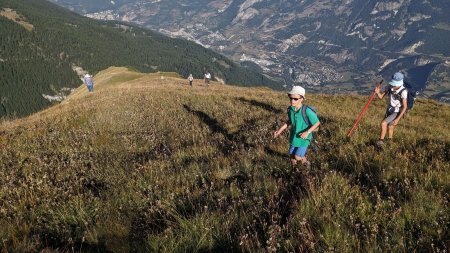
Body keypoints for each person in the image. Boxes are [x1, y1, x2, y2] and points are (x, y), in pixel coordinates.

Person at [274, 86, 320, 169]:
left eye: (295, 99)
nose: (292, 100)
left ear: (302, 99)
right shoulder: (290, 109)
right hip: (294, 137)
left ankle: (306, 164)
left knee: (297, 157)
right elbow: (289, 121)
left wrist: (307, 132)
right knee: (291, 155)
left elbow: (317, 123)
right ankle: (294, 170)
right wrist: (279, 131)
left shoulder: (307, 111)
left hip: (304, 139)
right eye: (291, 98)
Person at [374, 72, 408, 146]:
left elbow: (405, 107)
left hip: (397, 111)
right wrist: (377, 92)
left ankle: (381, 142)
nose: (393, 85)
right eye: (393, 83)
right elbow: (381, 97)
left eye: (395, 84)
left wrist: (397, 119)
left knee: (383, 123)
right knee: (390, 126)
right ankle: (390, 142)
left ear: (399, 84)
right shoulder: (390, 87)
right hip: (389, 110)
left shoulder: (403, 91)